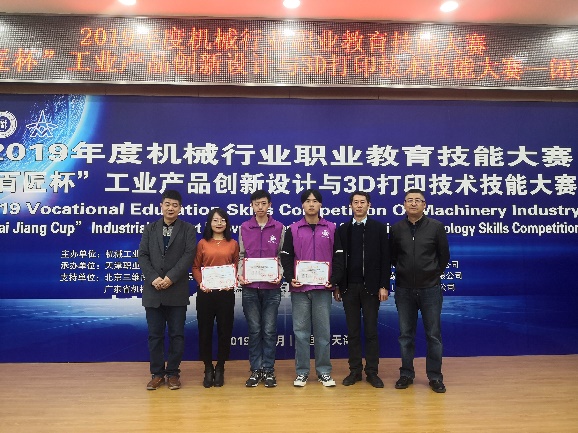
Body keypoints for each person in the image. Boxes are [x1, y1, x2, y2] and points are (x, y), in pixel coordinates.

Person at [280, 189, 344, 387]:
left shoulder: (331, 228)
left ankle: (324, 371)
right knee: (301, 332)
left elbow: (339, 257)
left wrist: (334, 280)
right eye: (307, 201)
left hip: (323, 289)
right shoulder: (293, 229)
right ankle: (302, 372)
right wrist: (290, 277)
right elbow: (286, 257)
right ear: (302, 205)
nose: (311, 204)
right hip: (300, 289)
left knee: (323, 332)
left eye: (315, 201)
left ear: (320, 205)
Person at [389, 188, 450, 393]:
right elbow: (393, 257)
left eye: (418, 200)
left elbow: (443, 256)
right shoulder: (396, 229)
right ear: (404, 204)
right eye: (409, 200)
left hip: (430, 289)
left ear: (424, 205)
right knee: (406, 335)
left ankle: (435, 377)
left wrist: (432, 274)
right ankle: (406, 374)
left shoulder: (436, 227)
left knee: (433, 335)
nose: (413, 203)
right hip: (404, 289)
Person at [138, 189, 197, 391]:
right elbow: (143, 255)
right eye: (167, 204)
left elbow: (188, 256)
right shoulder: (150, 228)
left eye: (175, 205)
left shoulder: (188, 229)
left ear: (180, 208)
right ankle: (157, 374)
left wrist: (170, 278)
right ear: (161, 205)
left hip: (176, 290)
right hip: (153, 291)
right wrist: (153, 278)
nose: (171, 208)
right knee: (155, 336)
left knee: (176, 335)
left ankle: (173, 374)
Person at [334, 191, 390, 388]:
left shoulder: (378, 228)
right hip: (349, 287)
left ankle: (372, 372)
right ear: (350, 205)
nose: (359, 205)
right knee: (353, 332)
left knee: (371, 331)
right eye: (355, 202)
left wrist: (384, 285)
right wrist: (338, 285)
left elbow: (385, 259)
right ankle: (355, 371)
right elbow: (338, 260)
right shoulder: (343, 229)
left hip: (371, 288)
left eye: (362, 202)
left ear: (369, 205)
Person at [237, 190, 285, 388]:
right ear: (252, 206)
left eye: (263, 203)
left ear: (269, 205)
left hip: (272, 287)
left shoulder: (279, 227)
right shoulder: (244, 227)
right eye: (256, 204)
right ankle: (256, 369)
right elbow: (241, 255)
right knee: (255, 330)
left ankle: (269, 369)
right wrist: (240, 273)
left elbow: (281, 255)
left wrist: (280, 272)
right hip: (250, 287)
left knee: (270, 330)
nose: (260, 207)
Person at [192, 208, 239, 388]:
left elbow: (237, 265)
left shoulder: (233, 243)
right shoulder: (202, 243)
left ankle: (220, 367)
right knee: (205, 331)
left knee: (224, 331)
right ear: (209, 223)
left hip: (226, 293)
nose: (219, 223)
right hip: (206, 294)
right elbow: (195, 267)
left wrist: (233, 281)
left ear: (227, 223)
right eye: (215, 220)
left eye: (222, 220)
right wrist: (201, 283)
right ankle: (207, 367)